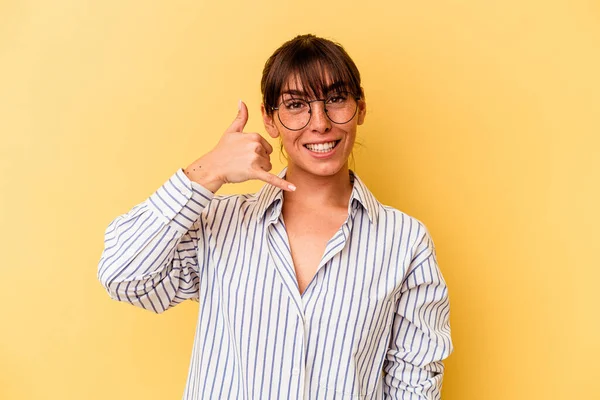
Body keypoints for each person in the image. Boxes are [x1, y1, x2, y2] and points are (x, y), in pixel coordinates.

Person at [98, 33, 453, 400]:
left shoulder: (405, 242)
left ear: (360, 107)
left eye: (335, 99)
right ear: (270, 120)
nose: (320, 123)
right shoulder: (218, 225)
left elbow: (414, 385)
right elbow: (123, 276)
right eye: (296, 105)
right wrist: (207, 173)